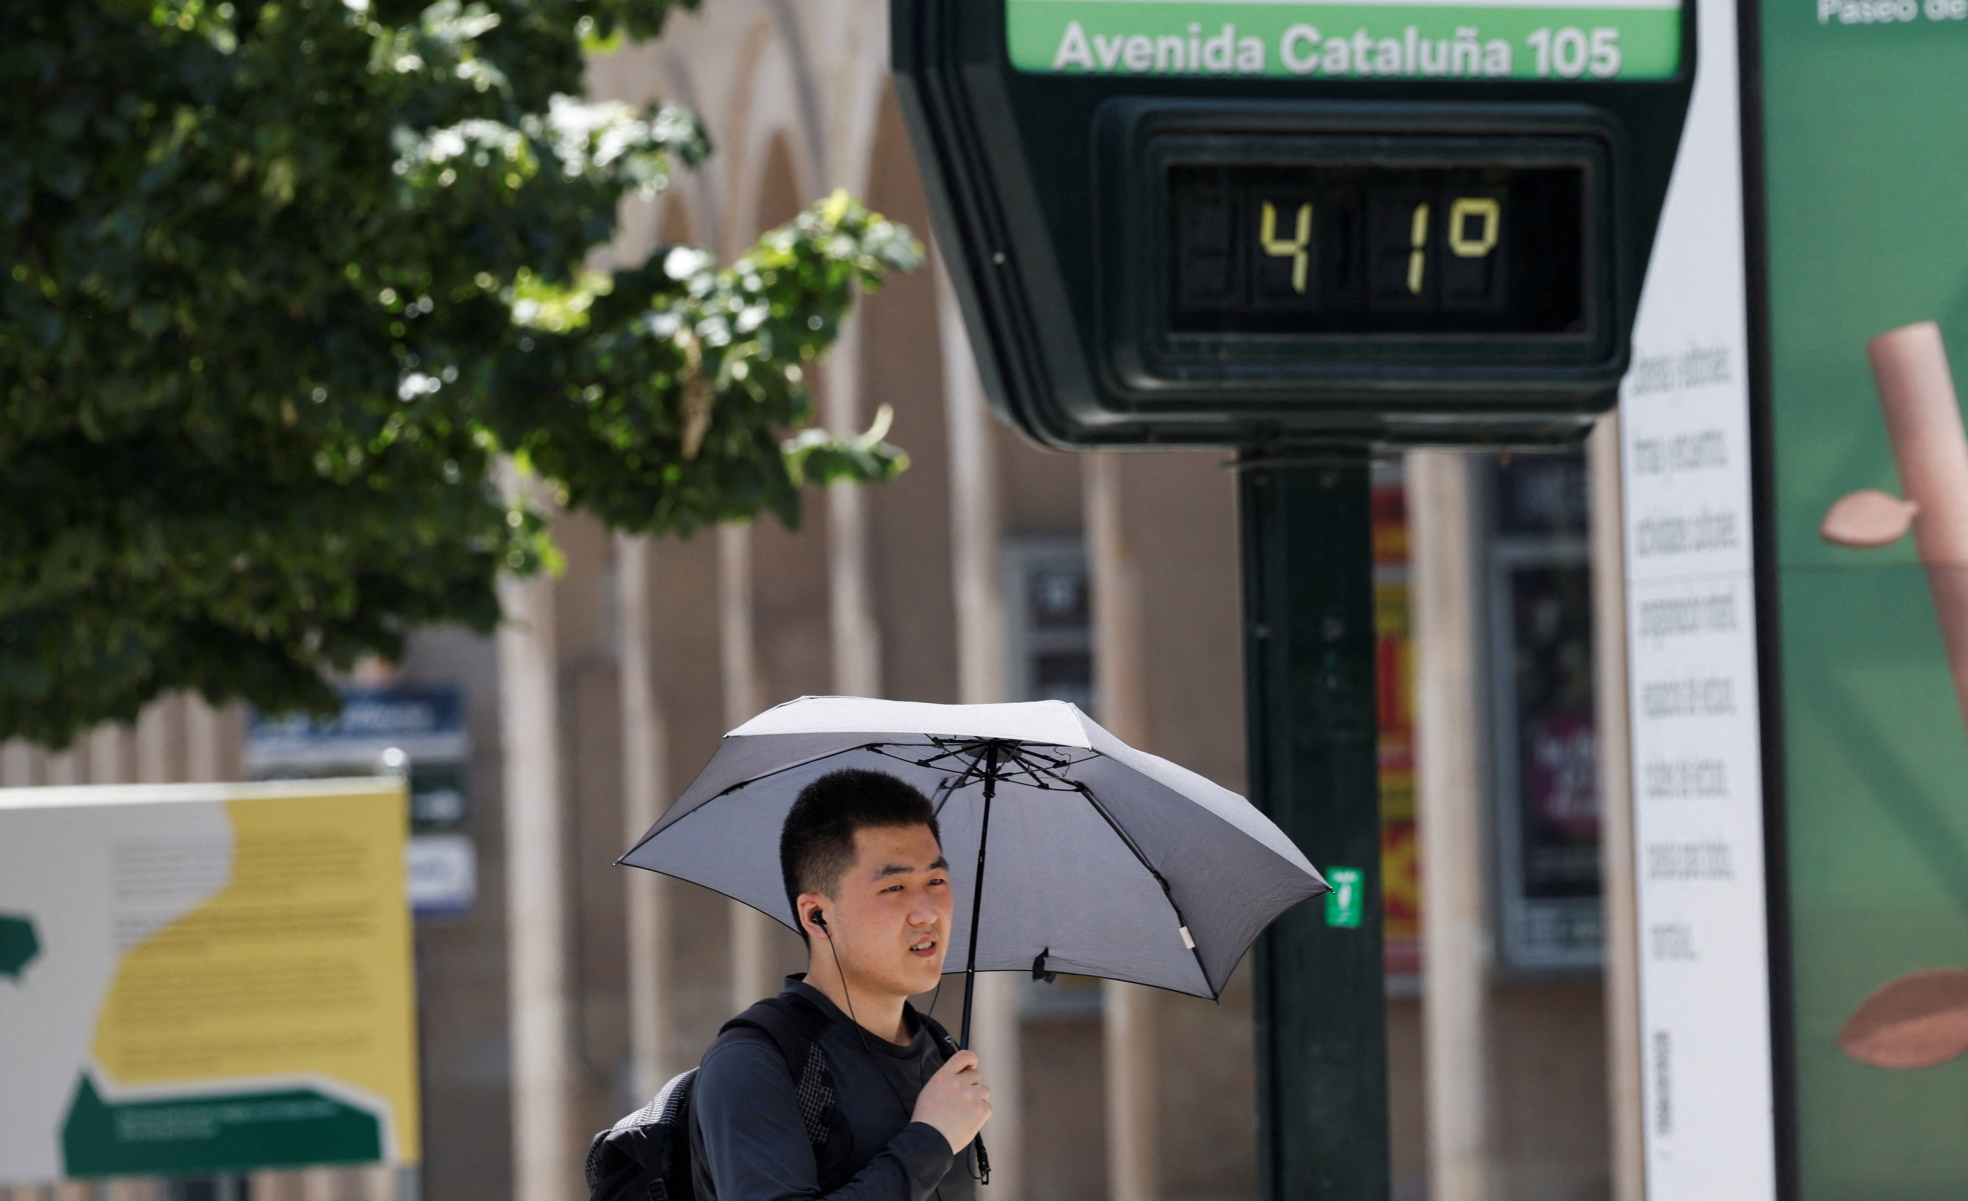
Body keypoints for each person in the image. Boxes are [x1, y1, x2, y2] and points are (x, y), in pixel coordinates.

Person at [690, 768, 993, 1201]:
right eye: (894, 887)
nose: (926, 911)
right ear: (817, 915)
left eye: (936, 880)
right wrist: (929, 1140)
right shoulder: (756, 1060)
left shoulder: (938, 1052)